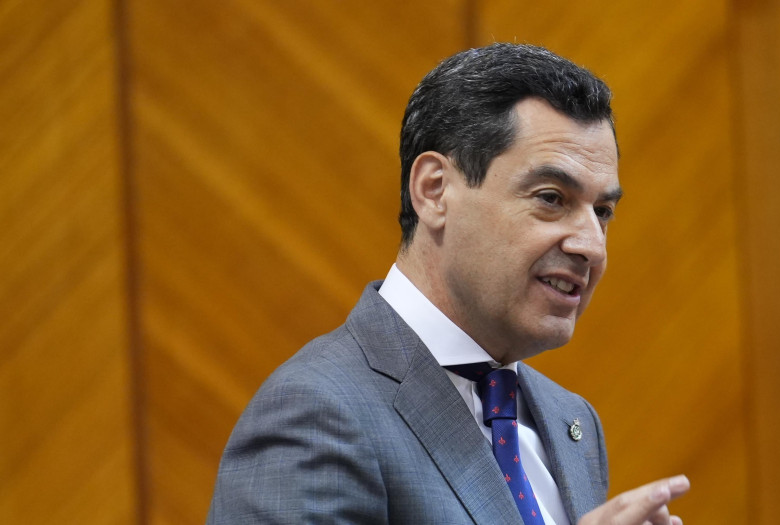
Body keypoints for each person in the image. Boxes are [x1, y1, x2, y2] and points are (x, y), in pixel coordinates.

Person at [207, 43, 689, 525]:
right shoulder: (317, 412)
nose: (592, 246)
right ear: (434, 190)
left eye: (602, 212)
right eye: (551, 198)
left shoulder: (571, 420)